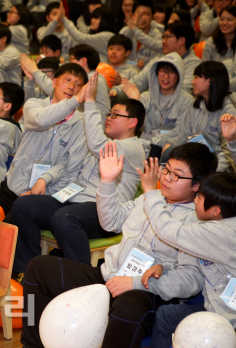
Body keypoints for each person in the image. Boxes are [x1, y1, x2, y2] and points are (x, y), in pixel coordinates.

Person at [20, 141, 215, 348]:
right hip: (109, 276)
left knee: (127, 307)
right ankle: (31, 345)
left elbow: (191, 279)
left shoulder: (197, 222)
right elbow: (111, 222)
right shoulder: (148, 199)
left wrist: (135, 283)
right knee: (39, 267)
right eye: (166, 169)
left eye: (176, 175)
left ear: (197, 185)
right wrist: (107, 181)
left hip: (149, 291)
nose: (166, 178)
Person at [11, 74, 150, 272]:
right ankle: (27, 272)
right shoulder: (105, 142)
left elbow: (98, 146)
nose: (108, 119)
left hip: (105, 212)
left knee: (65, 218)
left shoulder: (133, 148)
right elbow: (70, 163)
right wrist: (45, 178)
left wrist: (90, 101)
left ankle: (81, 279)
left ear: (132, 123)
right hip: (73, 199)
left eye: (115, 115)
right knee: (24, 206)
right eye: (108, 114)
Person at [140, 168, 236, 346]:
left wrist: (151, 193)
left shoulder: (220, 233)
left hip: (229, 319)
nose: (195, 200)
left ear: (215, 210)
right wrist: (165, 267)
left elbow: (167, 230)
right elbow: (190, 262)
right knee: (167, 316)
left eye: (199, 197)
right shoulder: (217, 226)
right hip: (216, 308)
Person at [0, 63, 88, 215]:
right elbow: (41, 121)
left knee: (20, 221)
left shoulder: (82, 123)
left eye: (78, 84)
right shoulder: (34, 104)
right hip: (12, 188)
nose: (72, 87)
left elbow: (70, 166)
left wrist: (43, 186)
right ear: (54, 82)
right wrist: (74, 102)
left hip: (44, 195)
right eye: (67, 80)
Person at [154, 61, 236, 172]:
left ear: (209, 81)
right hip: (194, 160)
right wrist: (169, 143)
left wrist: (206, 172)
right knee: (163, 151)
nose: (192, 82)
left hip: (215, 168)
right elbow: (183, 134)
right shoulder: (196, 105)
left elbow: (228, 153)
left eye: (196, 77)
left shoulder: (229, 112)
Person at [111, 22, 201, 96]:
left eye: (167, 37)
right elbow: (139, 81)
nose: (163, 41)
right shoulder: (161, 57)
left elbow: (185, 92)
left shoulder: (193, 63)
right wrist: (117, 90)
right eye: (163, 37)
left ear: (181, 40)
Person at [121, 53, 193, 142]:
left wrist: (153, 142)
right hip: (145, 144)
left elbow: (180, 132)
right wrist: (136, 102)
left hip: (170, 146)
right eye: (163, 71)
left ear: (179, 75)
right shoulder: (145, 97)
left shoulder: (187, 101)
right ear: (156, 72)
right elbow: (139, 127)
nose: (166, 76)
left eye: (171, 72)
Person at [119, 0, 163, 70]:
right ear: (133, 16)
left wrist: (135, 29)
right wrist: (136, 64)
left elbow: (154, 65)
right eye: (139, 14)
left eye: (147, 14)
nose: (143, 18)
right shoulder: (125, 32)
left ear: (152, 17)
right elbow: (119, 59)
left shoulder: (158, 36)